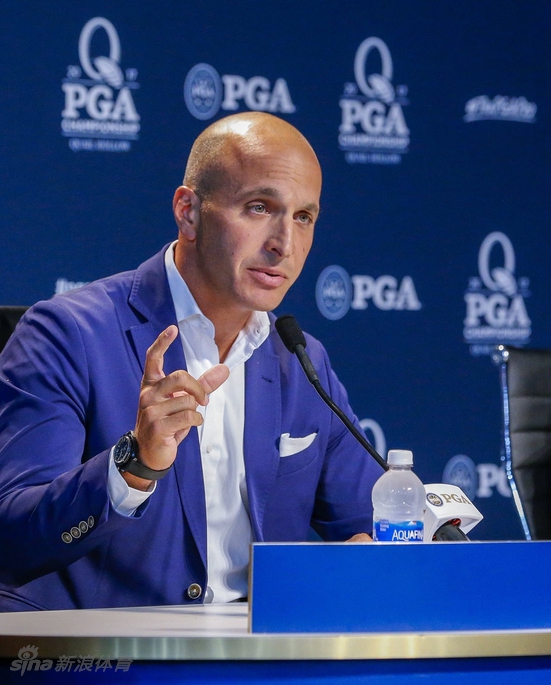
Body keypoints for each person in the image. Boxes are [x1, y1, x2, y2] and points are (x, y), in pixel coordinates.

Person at [0, 112, 383, 611]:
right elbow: (12, 538)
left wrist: (379, 549)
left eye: (303, 217)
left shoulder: (300, 360)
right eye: (259, 207)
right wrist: (133, 465)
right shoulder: (68, 333)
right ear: (189, 213)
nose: (284, 244)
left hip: (256, 648)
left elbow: (375, 517)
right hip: (107, 649)